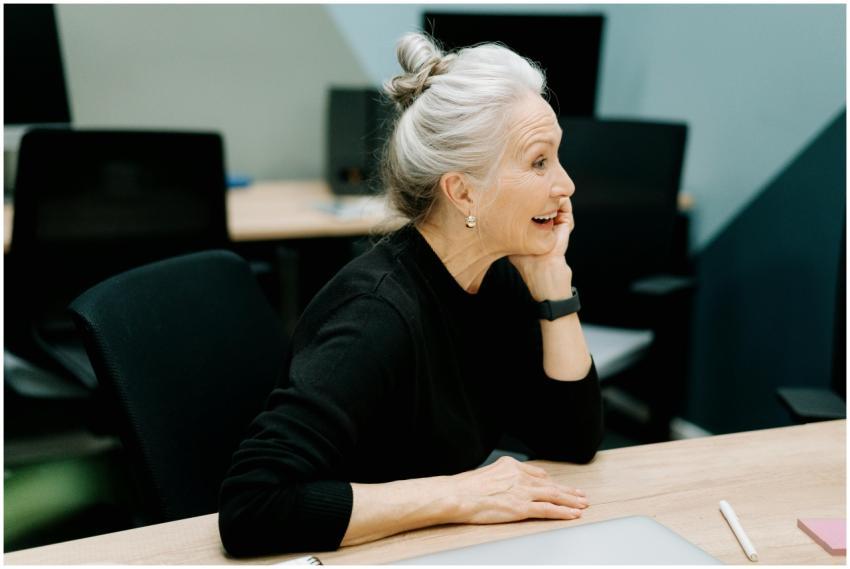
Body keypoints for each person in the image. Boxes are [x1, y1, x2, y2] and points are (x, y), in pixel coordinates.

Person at [218, 32, 603, 557]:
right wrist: (458, 495)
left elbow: (571, 441)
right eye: (539, 162)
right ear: (462, 191)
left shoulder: (496, 275)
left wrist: (552, 284)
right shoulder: (375, 315)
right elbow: (251, 507)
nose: (567, 185)